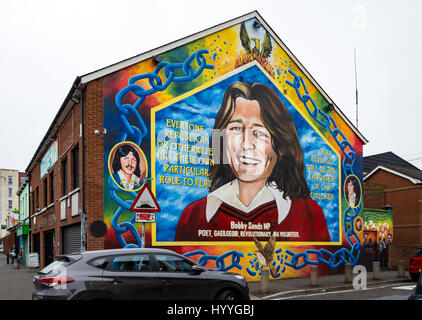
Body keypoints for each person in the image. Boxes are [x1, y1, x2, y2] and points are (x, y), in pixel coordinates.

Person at [175, 81, 330, 242]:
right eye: (235, 128)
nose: (246, 145)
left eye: (260, 132)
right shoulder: (193, 216)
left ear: (279, 144)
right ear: (221, 139)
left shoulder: (309, 214)